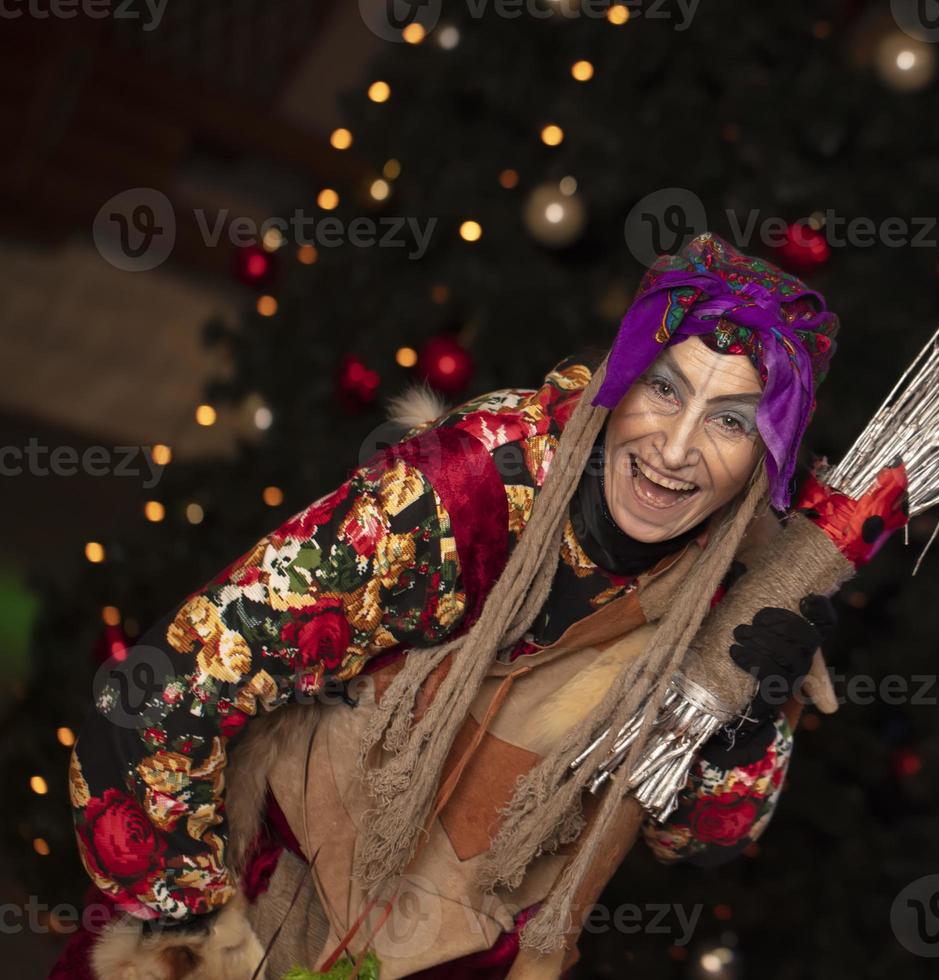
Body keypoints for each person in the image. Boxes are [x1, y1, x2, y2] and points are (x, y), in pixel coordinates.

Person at [54, 233, 893, 978]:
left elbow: (702, 838)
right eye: (665, 391)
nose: (675, 449)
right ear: (619, 380)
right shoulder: (470, 487)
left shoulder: (743, 593)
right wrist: (196, 933)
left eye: (732, 420)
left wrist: (742, 721)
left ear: (766, 461)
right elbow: (169, 690)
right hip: (270, 882)